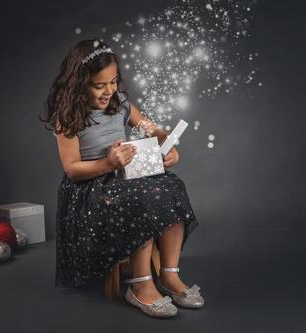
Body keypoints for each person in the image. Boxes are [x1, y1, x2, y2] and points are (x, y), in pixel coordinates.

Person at [39, 39, 202, 318]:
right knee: (140, 199)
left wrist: (167, 143)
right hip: (89, 188)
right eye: (99, 85)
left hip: (124, 175)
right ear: (79, 83)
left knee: (172, 186)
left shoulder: (121, 103)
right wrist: (107, 162)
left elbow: (150, 127)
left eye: (113, 82)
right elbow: (72, 169)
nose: (108, 91)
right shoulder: (68, 117)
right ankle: (140, 285)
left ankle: (170, 274)